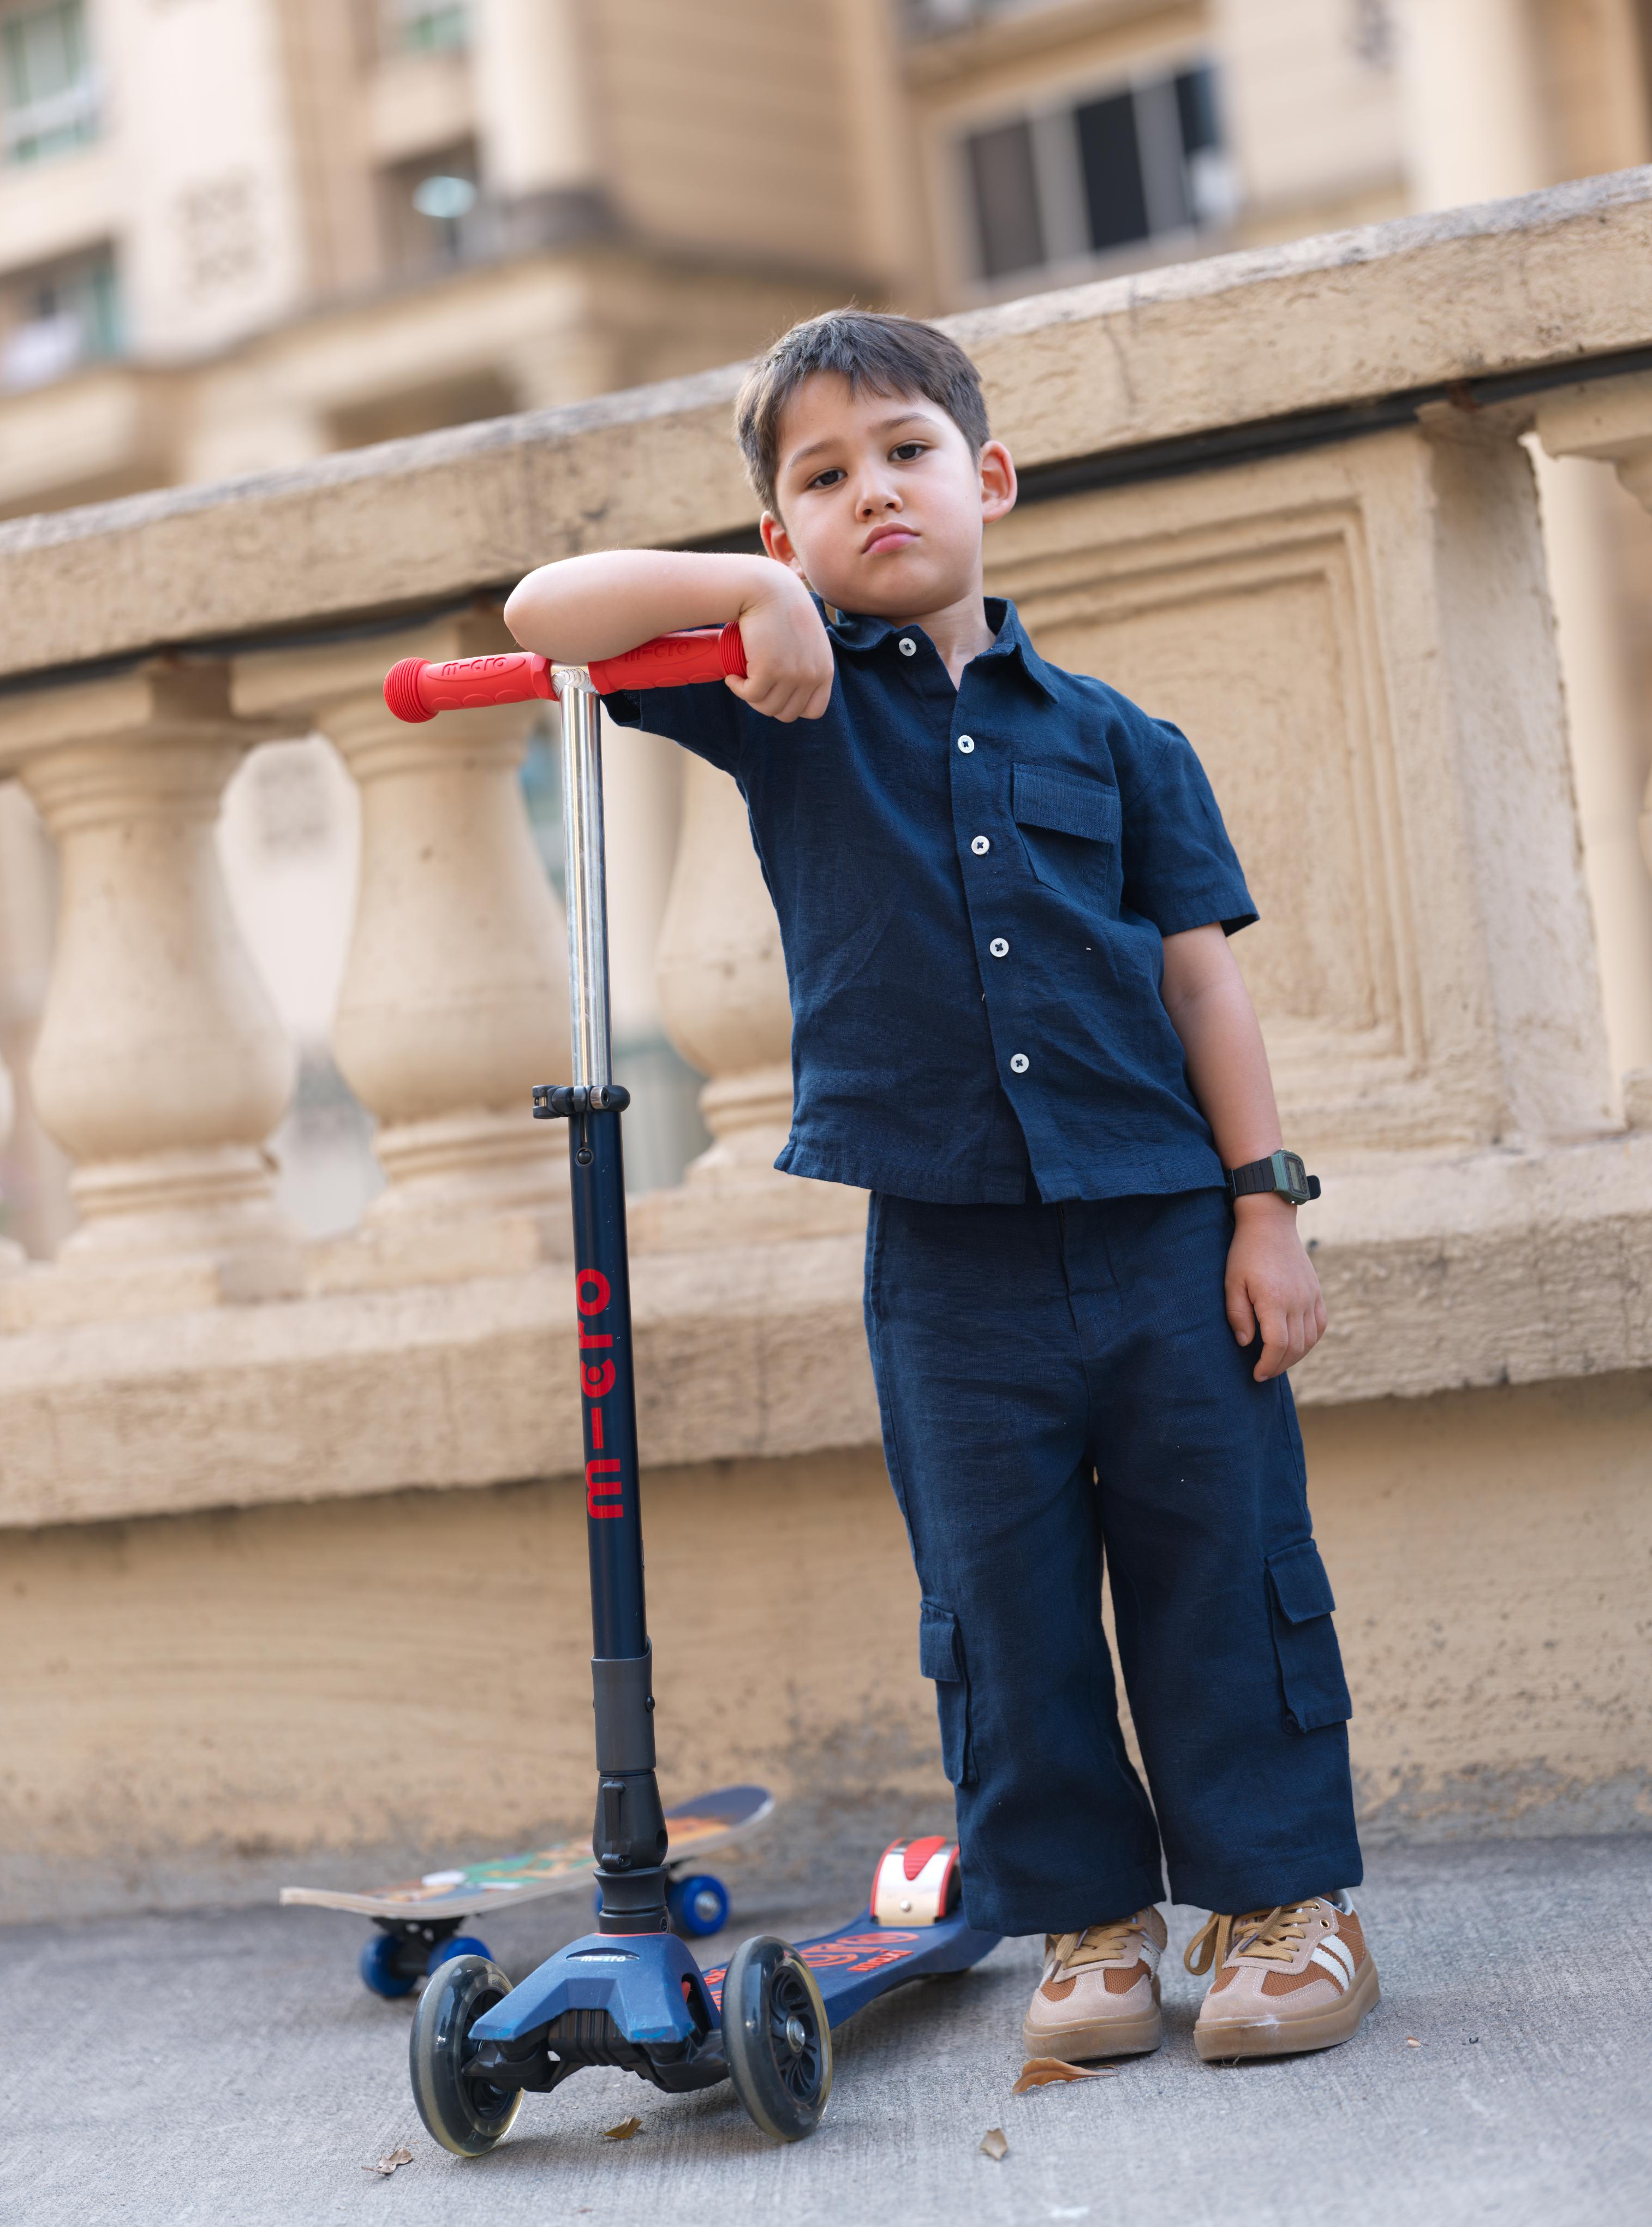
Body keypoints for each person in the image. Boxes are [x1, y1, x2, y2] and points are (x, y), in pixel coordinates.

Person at [504, 309, 1376, 2065]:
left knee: (1224, 1563)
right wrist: (748, 606)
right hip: (944, 1262)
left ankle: (1281, 1904)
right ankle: (1088, 1925)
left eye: (902, 451)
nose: (869, 493)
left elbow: (1202, 981)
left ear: (985, 478)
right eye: (817, 480)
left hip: (1162, 1235)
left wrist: (1263, 1207)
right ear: (782, 536)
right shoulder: (783, 698)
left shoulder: (1123, 742)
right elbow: (540, 617)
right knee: (1002, 1598)